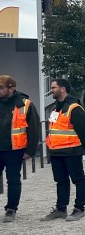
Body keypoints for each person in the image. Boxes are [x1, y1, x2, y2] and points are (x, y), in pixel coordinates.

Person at [42, 79, 85, 222]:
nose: (51, 90)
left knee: (78, 180)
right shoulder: (56, 108)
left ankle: (79, 209)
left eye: (54, 87)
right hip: (56, 151)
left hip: (71, 150)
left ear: (63, 89)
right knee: (61, 181)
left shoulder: (74, 107)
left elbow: (84, 130)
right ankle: (61, 209)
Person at [0, 76, 40, 223]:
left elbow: (34, 129)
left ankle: (11, 209)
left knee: (13, 180)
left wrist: (30, 151)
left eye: (1, 88)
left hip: (14, 150)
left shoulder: (25, 104)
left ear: (11, 88)